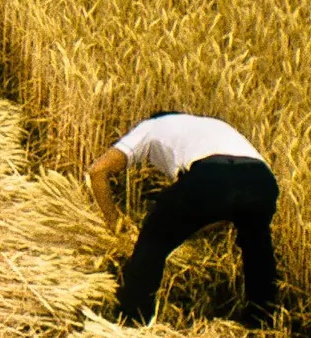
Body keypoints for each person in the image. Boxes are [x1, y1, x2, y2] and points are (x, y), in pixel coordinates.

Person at [87, 110, 281, 327]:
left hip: (213, 171)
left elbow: (98, 170)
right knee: (257, 246)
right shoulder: (212, 125)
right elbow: (221, 209)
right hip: (263, 179)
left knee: (153, 235)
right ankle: (262, 321)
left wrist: (115, 222)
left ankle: (131, 320)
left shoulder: (151, 126)